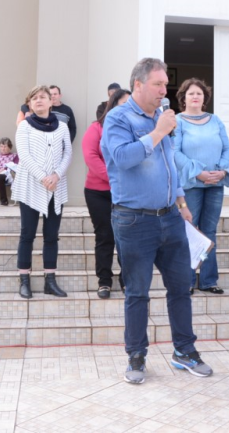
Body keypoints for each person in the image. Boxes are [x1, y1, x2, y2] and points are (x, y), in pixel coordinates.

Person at [101, 57, 213, 384]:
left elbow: (168, 165)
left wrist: (181, 201)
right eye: (158, 84)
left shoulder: (160, 117)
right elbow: (122, 158)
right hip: (134, 220)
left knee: (181, 288)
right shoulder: (118, 118)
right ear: (138, 84)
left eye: (165, 84)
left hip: (171, 218)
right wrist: (158, 131)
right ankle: (136, 356)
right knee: (137, 292)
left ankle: (184, 351)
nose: (165, 90)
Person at [174, 78, 229, 295]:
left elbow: (227, 149)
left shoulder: (215, 120)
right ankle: (187, 281)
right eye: (191, 93)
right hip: (191, 184)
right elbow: (174, 152)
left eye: (199, 93)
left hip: (215, 184)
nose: (195, 96)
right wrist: (198, 172)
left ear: (204, 97)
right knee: (189, 231)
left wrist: (222, 170)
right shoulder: (178, 121)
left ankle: (208, 280)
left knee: (209, 232)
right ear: (184, 98)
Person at [13, 85, 73, 299]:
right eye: (34, 98)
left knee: (51, 236)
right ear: (30, 104)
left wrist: (56, 175)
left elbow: (68, 153)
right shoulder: (24, 126)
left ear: (51, 101)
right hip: (31, 185)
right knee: (27, 234)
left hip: (56, 185)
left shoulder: (62, 126)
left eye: (42, 97)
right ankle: (24, 280)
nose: (38, 100)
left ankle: (50, 280)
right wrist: (43, 177)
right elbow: (24, 155)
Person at [82, 87, 130, 299]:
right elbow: (91, 156)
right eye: (124, 103)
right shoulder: (97, 128)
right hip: (98, 192)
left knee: (126, 237)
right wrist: (114, 178)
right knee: (105, 236)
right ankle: (104, 281)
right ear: (113, 105)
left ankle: (127, 280)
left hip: (126, 192)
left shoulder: (134, 128)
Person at [0, 137, 18, 206]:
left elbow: (15, 166)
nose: (3, 148)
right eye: (1, 146)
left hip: (8, 175)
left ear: (10, 147)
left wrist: (3, 169)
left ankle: (4, 200)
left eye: (5, 146)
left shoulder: (14, 156)